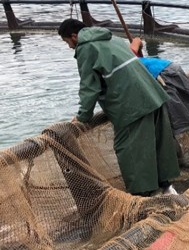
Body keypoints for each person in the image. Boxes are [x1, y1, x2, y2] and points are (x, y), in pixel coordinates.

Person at [58, 19, 181, 196]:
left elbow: (89, 86)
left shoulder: (86, 48)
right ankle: (166, 185)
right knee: (157, 141)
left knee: (130, 148)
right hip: (152, 93)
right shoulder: (112, 38)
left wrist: (83, 116)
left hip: (131, 104)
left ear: (74, 36)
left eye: (67, 42)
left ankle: (144, 193)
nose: (69, 47)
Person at [130, 37, 189, 166]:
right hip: (171, 67)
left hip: (162, 77)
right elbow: (137, 43)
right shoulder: (123, 55)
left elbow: (135, 42)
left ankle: (181, 163)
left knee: (166, 122)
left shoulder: (121, 60)